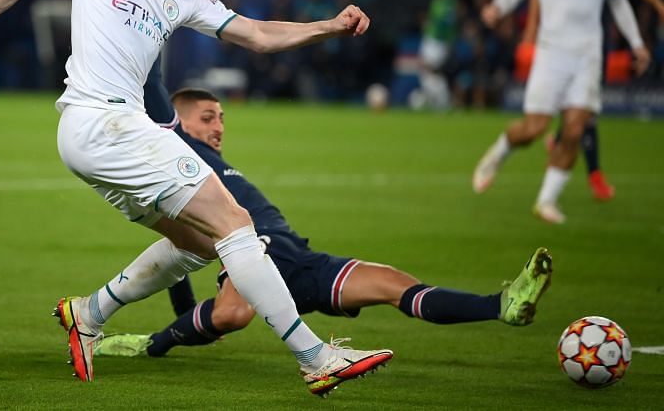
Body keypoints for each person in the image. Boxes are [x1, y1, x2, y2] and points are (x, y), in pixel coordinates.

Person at [0, 0, 391, 396]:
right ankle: (315, 357)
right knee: (236, 224)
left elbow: (257, 35)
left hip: (104, 136)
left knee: (203, 245)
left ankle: (88, 313)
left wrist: (329, 26)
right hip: (104, 123)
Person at [88, 86, 553, 364]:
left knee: (396, 285)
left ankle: (502, 305)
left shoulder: (209, 169)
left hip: (297, 257)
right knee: (232, 313)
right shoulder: (176, 152)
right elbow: (182, 240)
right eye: (207, 117)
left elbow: (185, 244)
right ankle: (150, 345)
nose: (219, 127)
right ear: (176, 124)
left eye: (222, 118)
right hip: (255, 250)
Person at [473, 0, 651, 224]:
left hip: (588, 56)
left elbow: (620, 4)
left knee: (574, 129)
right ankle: (498, 154)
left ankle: (546, 201)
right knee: (533, 130)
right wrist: (497, 8)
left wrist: (637, 43)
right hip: (551, 55)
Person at [521, 0, 664, 201]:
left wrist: (657, 4)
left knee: (584, 111)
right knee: (582, 113)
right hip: (557, 46)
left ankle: (562, 141)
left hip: (593, 46)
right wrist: (532, 27)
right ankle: (592, 171)